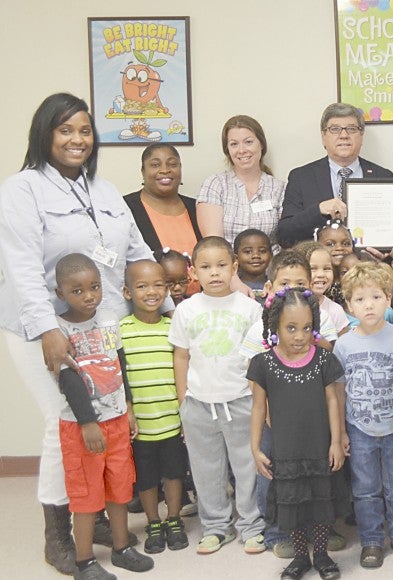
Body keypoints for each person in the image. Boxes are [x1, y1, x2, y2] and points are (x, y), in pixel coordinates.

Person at [0, 93, 155, 574]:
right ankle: (58, 533)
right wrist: (47, 328)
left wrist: (166, 304)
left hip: (102, 325)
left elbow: (136, 251)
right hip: (43, 328)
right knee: (64, 422)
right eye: (66, 130)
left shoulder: (104, 191)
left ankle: (97, 515)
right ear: (45, 134)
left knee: (109, 420)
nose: (77, 139)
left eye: (85, 130)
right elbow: (22, 266)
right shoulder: (21, 190)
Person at [53, 254, 155, 579]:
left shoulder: (111, 319)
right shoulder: (59, 329)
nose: (88, 296)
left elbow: (119, 364)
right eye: (77, 291)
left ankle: (122, 548)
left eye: (94, 287)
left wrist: (129, 407)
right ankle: (84, 562)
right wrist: (87, 422)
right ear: (60, 294)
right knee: (86, 496)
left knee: (120, 488)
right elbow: (68, 379)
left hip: (117, 420)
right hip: (82, 427)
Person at [168, 236, 266, 556]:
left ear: (234, 267)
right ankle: (215, 526)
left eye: (222, 265)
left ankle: (251, 525)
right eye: (206, 267)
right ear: (193, 271)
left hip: (240, 400)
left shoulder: (251, 308)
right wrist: (184, 402)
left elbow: (257, 359)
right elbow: (181, 356)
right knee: (206, 469)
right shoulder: (186, 310)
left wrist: (257, 401)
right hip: (198, 404)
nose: (214, 273)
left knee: (247, 466)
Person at [248, 288, 345, 580]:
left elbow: (333, 400)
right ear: (275, 326)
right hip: (286, 451)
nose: (300, 336)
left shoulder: (323, 361)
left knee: (319, 502)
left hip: (319, 448)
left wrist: (337, 441)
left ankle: (323, 555)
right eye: (291, 328)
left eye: (306, 328)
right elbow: (257, 408)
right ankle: (301, 556)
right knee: (294, 505)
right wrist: (255, 449)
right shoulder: (263, 364)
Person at [332, 261, 393, 568]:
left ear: (388, 299)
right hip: (360, 429)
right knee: (365, 489)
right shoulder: (343, 344)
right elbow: (339, 391)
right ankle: (371, 540)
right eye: (360, 299)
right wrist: (340, 432)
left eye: (376, 297)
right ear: (349, 304)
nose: (369, 305)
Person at [120, 260, 189, 555]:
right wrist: (128, 409)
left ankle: (173, 519)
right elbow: (119, 377)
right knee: (146, 478)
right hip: (141, 426)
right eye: (142, 286)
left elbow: (184, 372)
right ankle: (153, 522)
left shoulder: (173, 327)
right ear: (126, 292)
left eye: (158, 284)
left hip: (172, 419)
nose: (152, 291)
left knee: (174, 474)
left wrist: (186, 413)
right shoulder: (121, 330)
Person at [277, 103, 393, 247]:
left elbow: (389, 231)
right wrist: (318, 210)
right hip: (317, 265)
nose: (344, 135)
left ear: (361, 136)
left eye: (351, 129)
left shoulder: (382, 176)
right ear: (323, 137)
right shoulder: (301, 177)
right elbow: (285, 234)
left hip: (366, 263)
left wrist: (384, 251)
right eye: (335, 129)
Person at [197, 115, 286, 250]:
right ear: (227, 150)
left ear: (261, 144)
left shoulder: (280, 188)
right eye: (234, 144)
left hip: (270, 267)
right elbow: (214, 245)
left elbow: (285, 238)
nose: (242, 150)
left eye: (248, 142)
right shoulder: (215, 185)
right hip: (228, 266)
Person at [123, 144, 202, 257]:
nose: (165, 170)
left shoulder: (198, 208)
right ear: (143, 171)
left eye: (172, 164)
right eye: (155, 165)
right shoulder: (124, 207)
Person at [234, 228, 272, 293]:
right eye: (248, 251)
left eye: (262, 251)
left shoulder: (276, 285)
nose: (256, 255)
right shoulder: (231, 287)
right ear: (236, 258)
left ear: (271, 256)